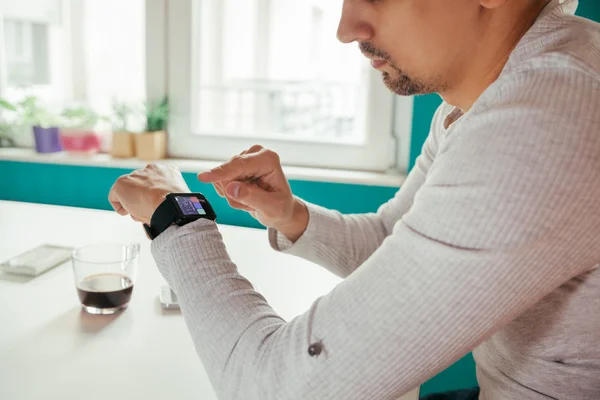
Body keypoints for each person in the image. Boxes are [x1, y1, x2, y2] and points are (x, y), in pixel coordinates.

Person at [108, 0, 600, 399]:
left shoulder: (543, 117)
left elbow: (272, 389)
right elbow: (393, 239)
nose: (346, 27)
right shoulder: (478, 101)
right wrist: (292, 216)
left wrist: (177, 215)